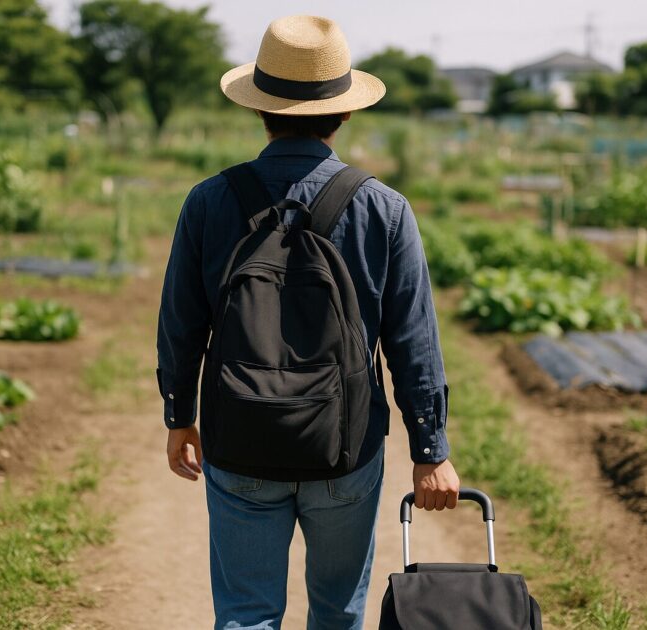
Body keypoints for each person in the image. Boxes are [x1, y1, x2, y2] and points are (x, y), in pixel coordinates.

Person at [157, 15, 459, 630]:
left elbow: (180, 324)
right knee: (338, 614)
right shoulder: (384, 208)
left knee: (245, 613)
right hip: (345, 448)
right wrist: (430, 449)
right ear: (344, 112)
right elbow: (412, 340)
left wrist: (179, 417)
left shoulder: (209, 200)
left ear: (259, 108)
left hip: (239, 439)